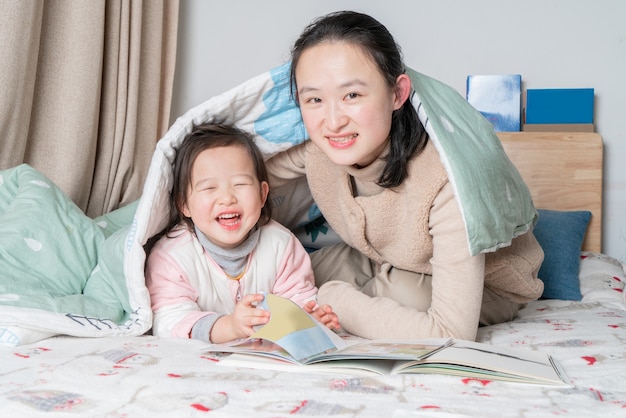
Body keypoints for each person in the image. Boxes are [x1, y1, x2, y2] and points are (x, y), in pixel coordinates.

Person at [266, 11, 545, 341]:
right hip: (382, 259)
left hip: (488, 283)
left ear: (397, 93)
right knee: (277, 274)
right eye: (314, 99)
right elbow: (246, 178)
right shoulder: (321, 150)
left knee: (403, 299)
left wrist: (333, 300)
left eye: (352, 95)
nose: (333, 121)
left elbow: (452, 333)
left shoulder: (447, 180)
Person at [145, 123, 339, 344]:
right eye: (209, 188)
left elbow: (299, 297)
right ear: (184, 204)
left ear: (262, 194)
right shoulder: (172, 257)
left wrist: (306, 320)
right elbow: (170, 321)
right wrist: (229, 327)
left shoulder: (281, 244)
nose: (227, 198)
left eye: (240, 184)